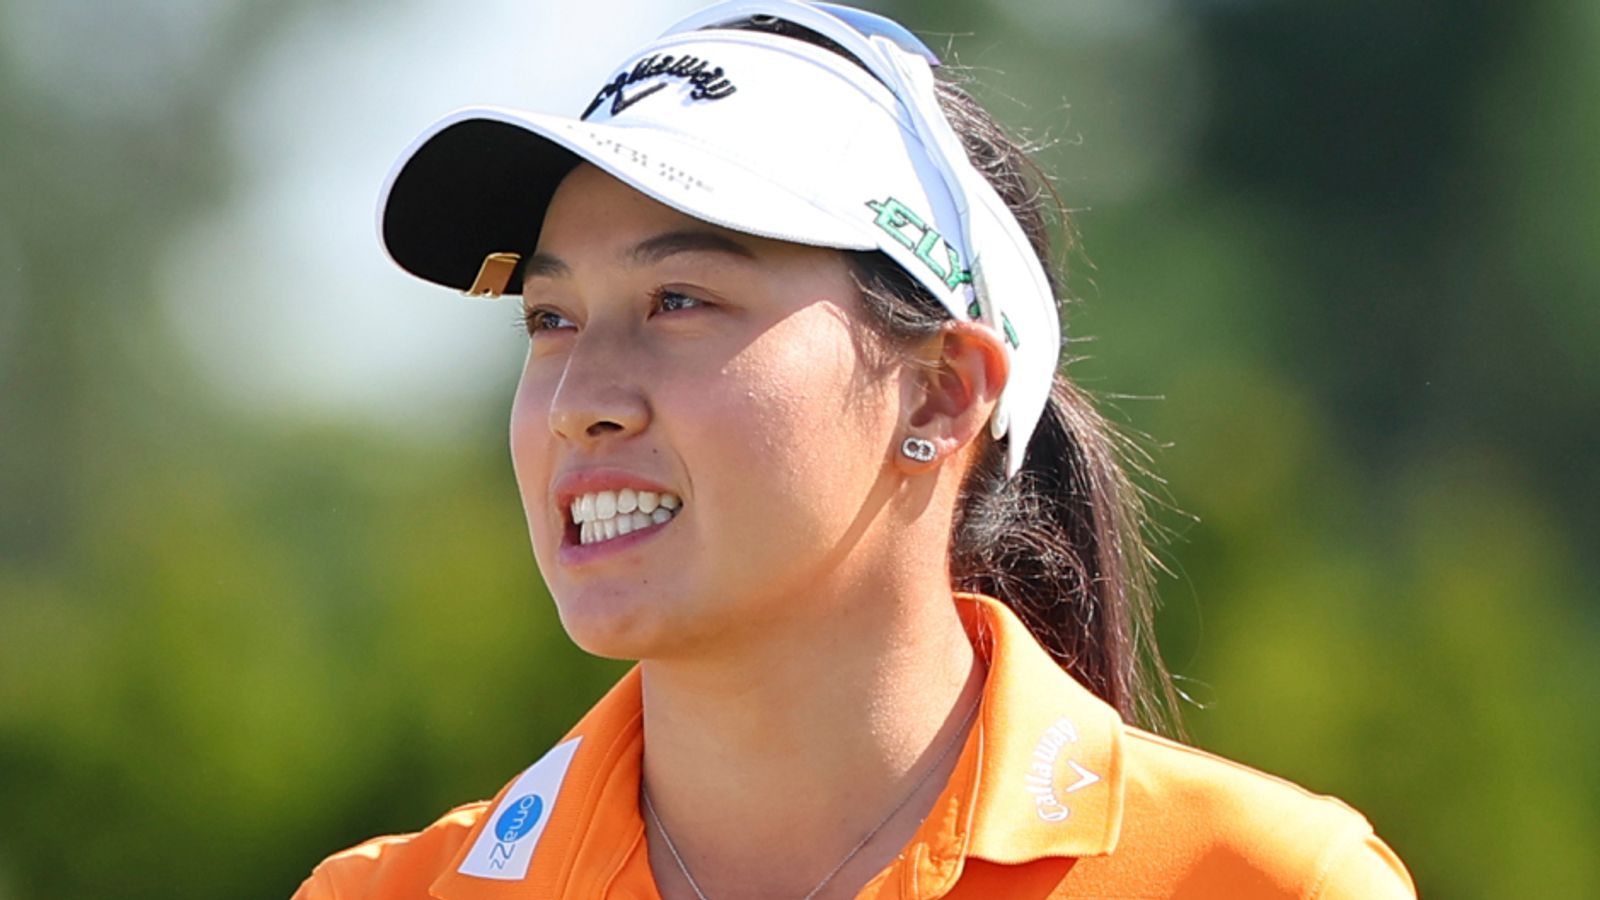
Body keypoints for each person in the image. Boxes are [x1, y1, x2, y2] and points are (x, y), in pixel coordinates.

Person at [294, 2, 1416, 897]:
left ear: (941, 391)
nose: (579, 402)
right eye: (550, 318)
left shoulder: (1267, 882)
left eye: (680, 299)